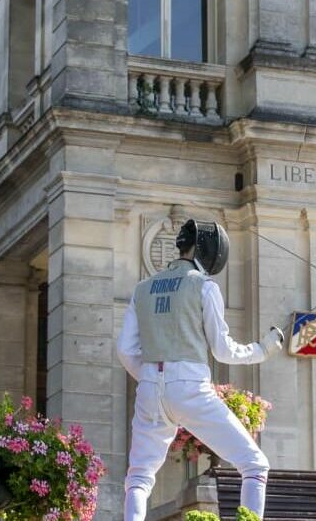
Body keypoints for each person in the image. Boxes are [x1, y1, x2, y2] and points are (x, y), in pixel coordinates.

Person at [118, 219, 284, 520]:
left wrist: (151, 378)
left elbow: (126, 350)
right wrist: (262, 350)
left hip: (149, 388)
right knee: (255, 465)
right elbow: (222, 350)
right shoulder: (204, 286)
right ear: (208, 250)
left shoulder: (142, 289)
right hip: (190, 385)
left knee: (139, 477)